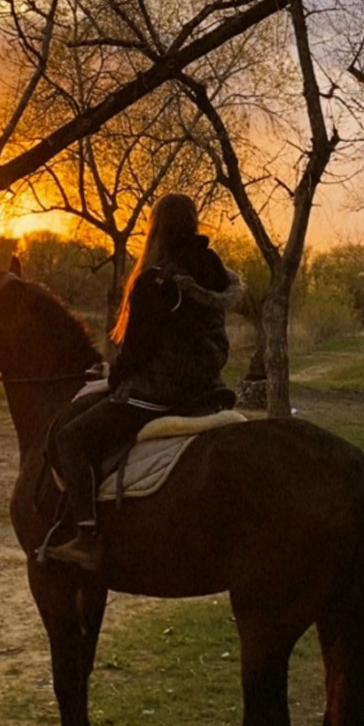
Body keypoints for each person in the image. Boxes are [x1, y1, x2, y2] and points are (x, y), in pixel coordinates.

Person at [45, 193, 243, 572]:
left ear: (158, 227)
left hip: (161, 391)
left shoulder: (156, 280)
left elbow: (137, 352)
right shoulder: (212, 269)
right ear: (193, 223)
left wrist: (114, 377)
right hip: (206, 386)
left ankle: (87, 536)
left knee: (70, 437)